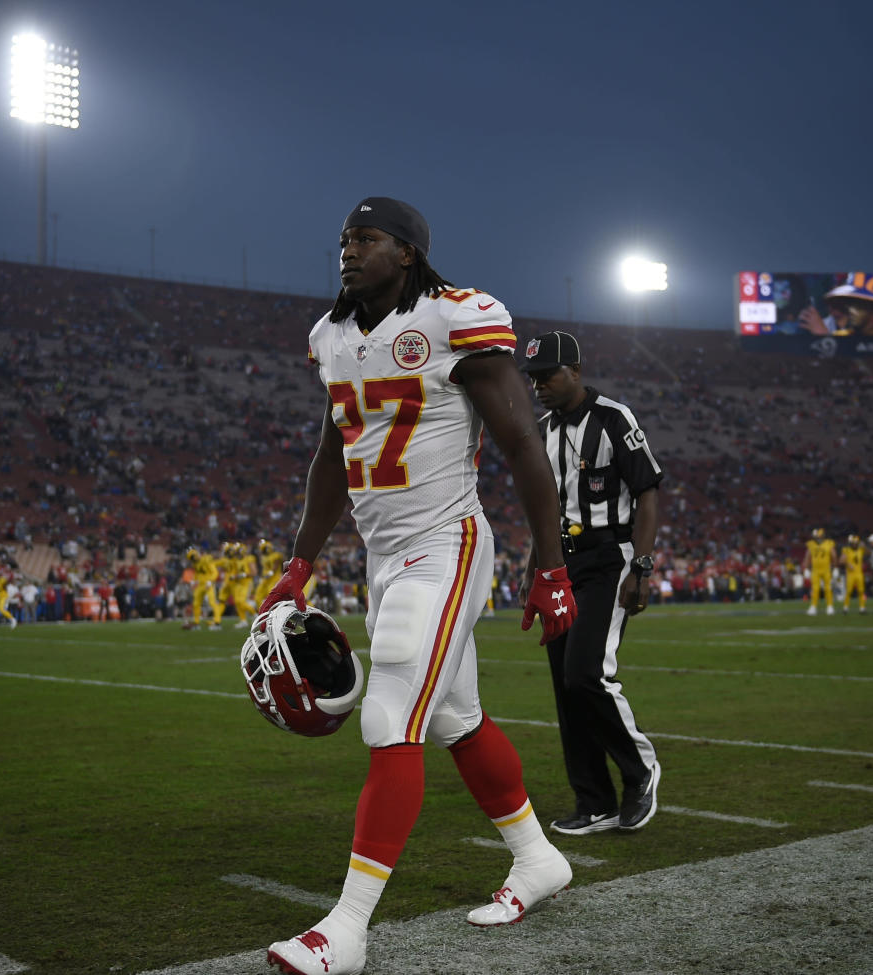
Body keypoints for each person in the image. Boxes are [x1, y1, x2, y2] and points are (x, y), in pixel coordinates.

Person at [257, 196, 578, 975]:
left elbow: (519, 443)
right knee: (458, 716)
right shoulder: (330, 336)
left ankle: (347, 927)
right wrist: (300, 561)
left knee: (390, 710)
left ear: (406, 252)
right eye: (342, 238)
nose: (347, 250)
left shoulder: (455, 318)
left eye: (365, 239)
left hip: (447, 542)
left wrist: (551, 563)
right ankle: (538, 859)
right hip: (384, 555)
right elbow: (334, 455)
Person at [521, 329, 663, 836]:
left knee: (587, 674)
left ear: (575, 371)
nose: (540, 386)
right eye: (534, 378)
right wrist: (534, 573)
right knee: (565, 684)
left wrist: (641, 567)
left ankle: (640, 769)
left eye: (549, 375)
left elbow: (647, 491)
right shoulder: (542, 431)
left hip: (609, 558)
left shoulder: (613, 418)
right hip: (562, 564)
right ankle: (594, 800)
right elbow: (546, 511)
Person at [806, 528, 836, 616]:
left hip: (826, 569)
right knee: (815, 589)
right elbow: (808, 556)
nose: (818, 538)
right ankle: (813, 607)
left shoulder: (829, 544)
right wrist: (806, 568)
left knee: (828, 588)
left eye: (820, 536)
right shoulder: (811, 545)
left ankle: (830, 606)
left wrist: (834, 567)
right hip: (815, 570)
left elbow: (833, 556)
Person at [840, 534, 866, 614]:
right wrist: (848, 564)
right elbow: (841, 561)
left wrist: (863, 545)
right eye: (853, 543)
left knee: (861, 591)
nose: (854, 544)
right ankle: (845, 608)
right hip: (850, 574)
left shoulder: (861, 550)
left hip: (859, 573)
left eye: (856, 543)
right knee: (849, 591)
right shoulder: (846, 550)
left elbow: (869, 552)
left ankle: (862, 608)